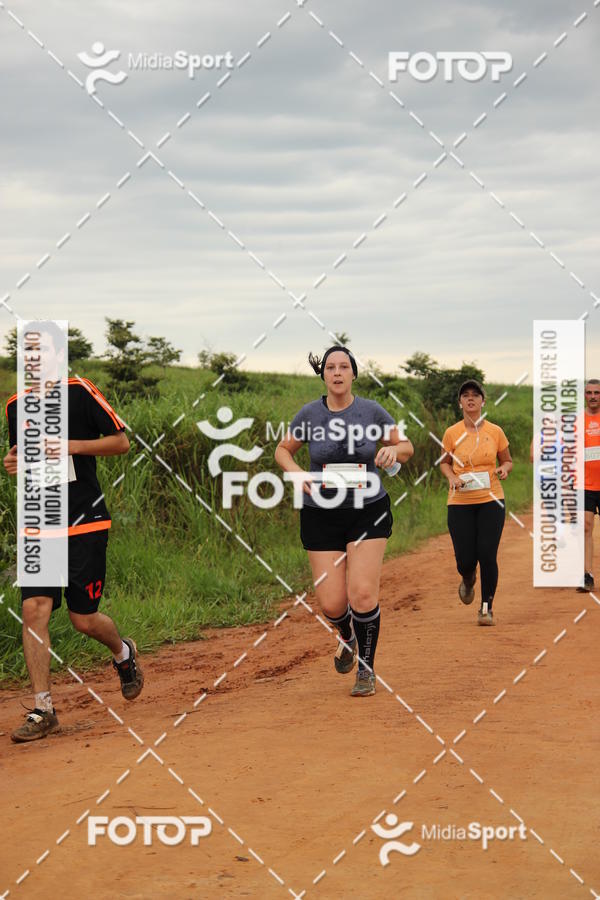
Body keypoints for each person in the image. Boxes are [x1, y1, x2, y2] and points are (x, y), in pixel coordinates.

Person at [3, 323, 143, 743]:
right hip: (38, 518)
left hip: (85, 517)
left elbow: (121, 442)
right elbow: (23, 457)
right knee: (34, 611)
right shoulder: (15, 405)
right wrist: (12, 462)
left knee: (83, 619)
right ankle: (43, 709)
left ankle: (123, 653)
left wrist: (71, 445)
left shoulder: (80, 391)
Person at [275, 346, 413, 696]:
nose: (337, 373)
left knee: (363, 594)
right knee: (333, 604)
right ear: (323, 375)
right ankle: (348, 637)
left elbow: (406, 447)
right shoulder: (309, 414)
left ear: (353, 373)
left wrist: (393, 451)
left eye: (344, 367)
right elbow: (283, 450)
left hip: (368, 508)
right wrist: (294, 472)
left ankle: (366, 668)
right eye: (331, 367)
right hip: (320, 512)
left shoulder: (371, 412)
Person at [439, 380, 512, 626]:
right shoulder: (452, 432)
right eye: (465, 395)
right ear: (460, 402)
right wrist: (452, 477)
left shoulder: (495, 431)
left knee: (487, 554)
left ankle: (486, 608)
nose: (470, 399)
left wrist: (503, 469)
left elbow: (507, 461)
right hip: (459, 501)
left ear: (483, 401)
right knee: (465, 559)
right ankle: (468, 577)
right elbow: (444, 463)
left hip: (491, 499)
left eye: (475, 395)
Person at [577, 378, 600, 592]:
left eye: (597, 392)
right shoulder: (577, 421)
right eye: (589, 392)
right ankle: (587, 575)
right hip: (585, 483)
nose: (593, 396)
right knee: (586, 526)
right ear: (584, 395)